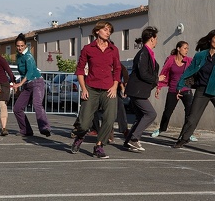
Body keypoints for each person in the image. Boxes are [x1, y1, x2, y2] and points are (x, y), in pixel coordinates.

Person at [172, 29, 215, 156]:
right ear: (210, 40)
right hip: (202, 90)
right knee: (192, 117)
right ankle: (183, 139)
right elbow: (189, 71)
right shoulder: (200, 56)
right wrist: (179, 86)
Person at [70, 20, 121, 159]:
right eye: (105, 29)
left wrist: (115, 86)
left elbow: (117, 69)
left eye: (110, 30)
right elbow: (80, 70)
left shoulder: (113, 49)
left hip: (108, 89)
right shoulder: (88, 48)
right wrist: (83, 88)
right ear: (97, 31)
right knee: (84, 123)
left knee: (110, 119)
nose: (108, 32)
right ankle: (80, 136)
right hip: (91, 88)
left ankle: (99, 146)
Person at [123, 26, 166, 152]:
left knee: (141, 115)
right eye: (156, 38)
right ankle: (134, 139)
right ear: (152, 39)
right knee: (150, 114)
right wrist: (157, 79)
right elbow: (143, 73)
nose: (157, 41)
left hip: (139, 90)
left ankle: (128, 141)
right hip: (137, 91)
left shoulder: (148, 53)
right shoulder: (144, 53)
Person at [151, 41, 198, 141]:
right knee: (167, 112)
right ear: (178, 48)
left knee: (190, 112)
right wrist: (158, 87)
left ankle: (188, 133)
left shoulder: (189, 60)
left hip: (186, 89)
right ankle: (161, 129)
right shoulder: (170, 59)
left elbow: (197, 69)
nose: (186, 50)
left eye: (187, 49)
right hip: (173, 89)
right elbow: (164, 73)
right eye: (185, 48)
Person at [12, 33, 52, 137]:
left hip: (37, 82)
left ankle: (44, 128)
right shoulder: (18, 56)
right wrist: (21, 85)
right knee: (17, 108)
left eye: (22, 46)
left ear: (25, 46)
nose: (20, 48)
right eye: (18, 46)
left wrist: (20, 83)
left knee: (37, 104)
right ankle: (26, 130)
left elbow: (29, 72)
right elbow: (22, 73)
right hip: (27, 85)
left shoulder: (28, 56)